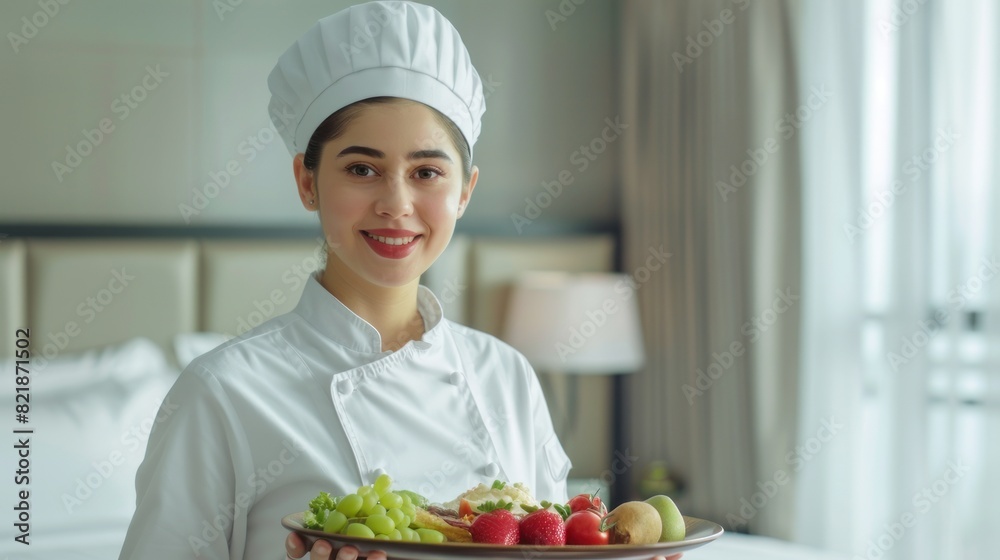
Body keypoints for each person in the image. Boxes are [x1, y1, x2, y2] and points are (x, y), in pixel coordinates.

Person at [121, 2, 677, 559]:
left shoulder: (505, 376)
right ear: (307, 181)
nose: (396, 203)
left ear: (464, 192)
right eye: (361, 169)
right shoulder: (221, 393)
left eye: (427, 172)